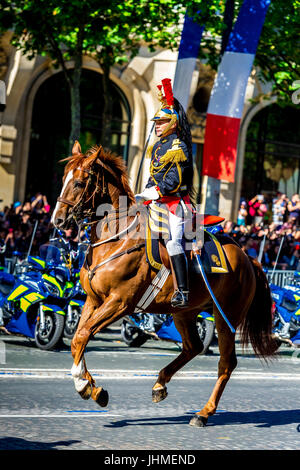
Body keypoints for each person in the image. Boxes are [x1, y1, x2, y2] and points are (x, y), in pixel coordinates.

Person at [135, 78, 194, 308]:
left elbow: (176, 179)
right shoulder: (159, 147)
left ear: (172, 123)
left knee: (173, 244)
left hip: (175, 204)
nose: (157, 126)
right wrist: (145, 192)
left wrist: (155, 192)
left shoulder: (179, 146)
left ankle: (183, 291)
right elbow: (155, 174)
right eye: (156, 122)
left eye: (161, 122)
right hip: (157, 200)